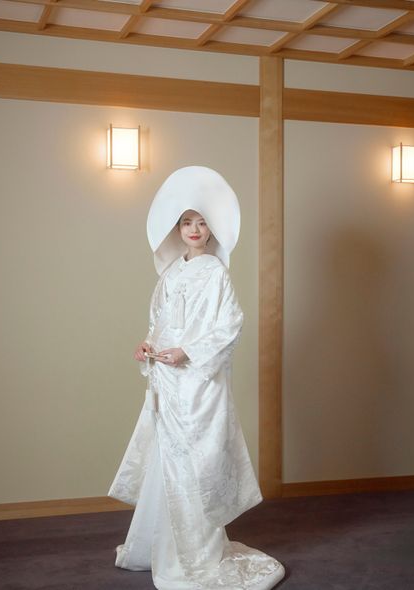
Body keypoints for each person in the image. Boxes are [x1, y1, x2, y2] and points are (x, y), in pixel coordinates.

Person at [108, 166, 285, 590]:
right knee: (168, 458)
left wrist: (187, 351)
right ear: (177, 228)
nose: (193, 229)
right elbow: (160, 322)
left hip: (198, 383)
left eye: (202, 222)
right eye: (187, 222)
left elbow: (229, 325)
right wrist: (148, 345)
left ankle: (196, 552)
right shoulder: (170, 274)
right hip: (168, 380)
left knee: (195, 462)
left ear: (212, 228)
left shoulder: (216, 272)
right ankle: (160, 545)